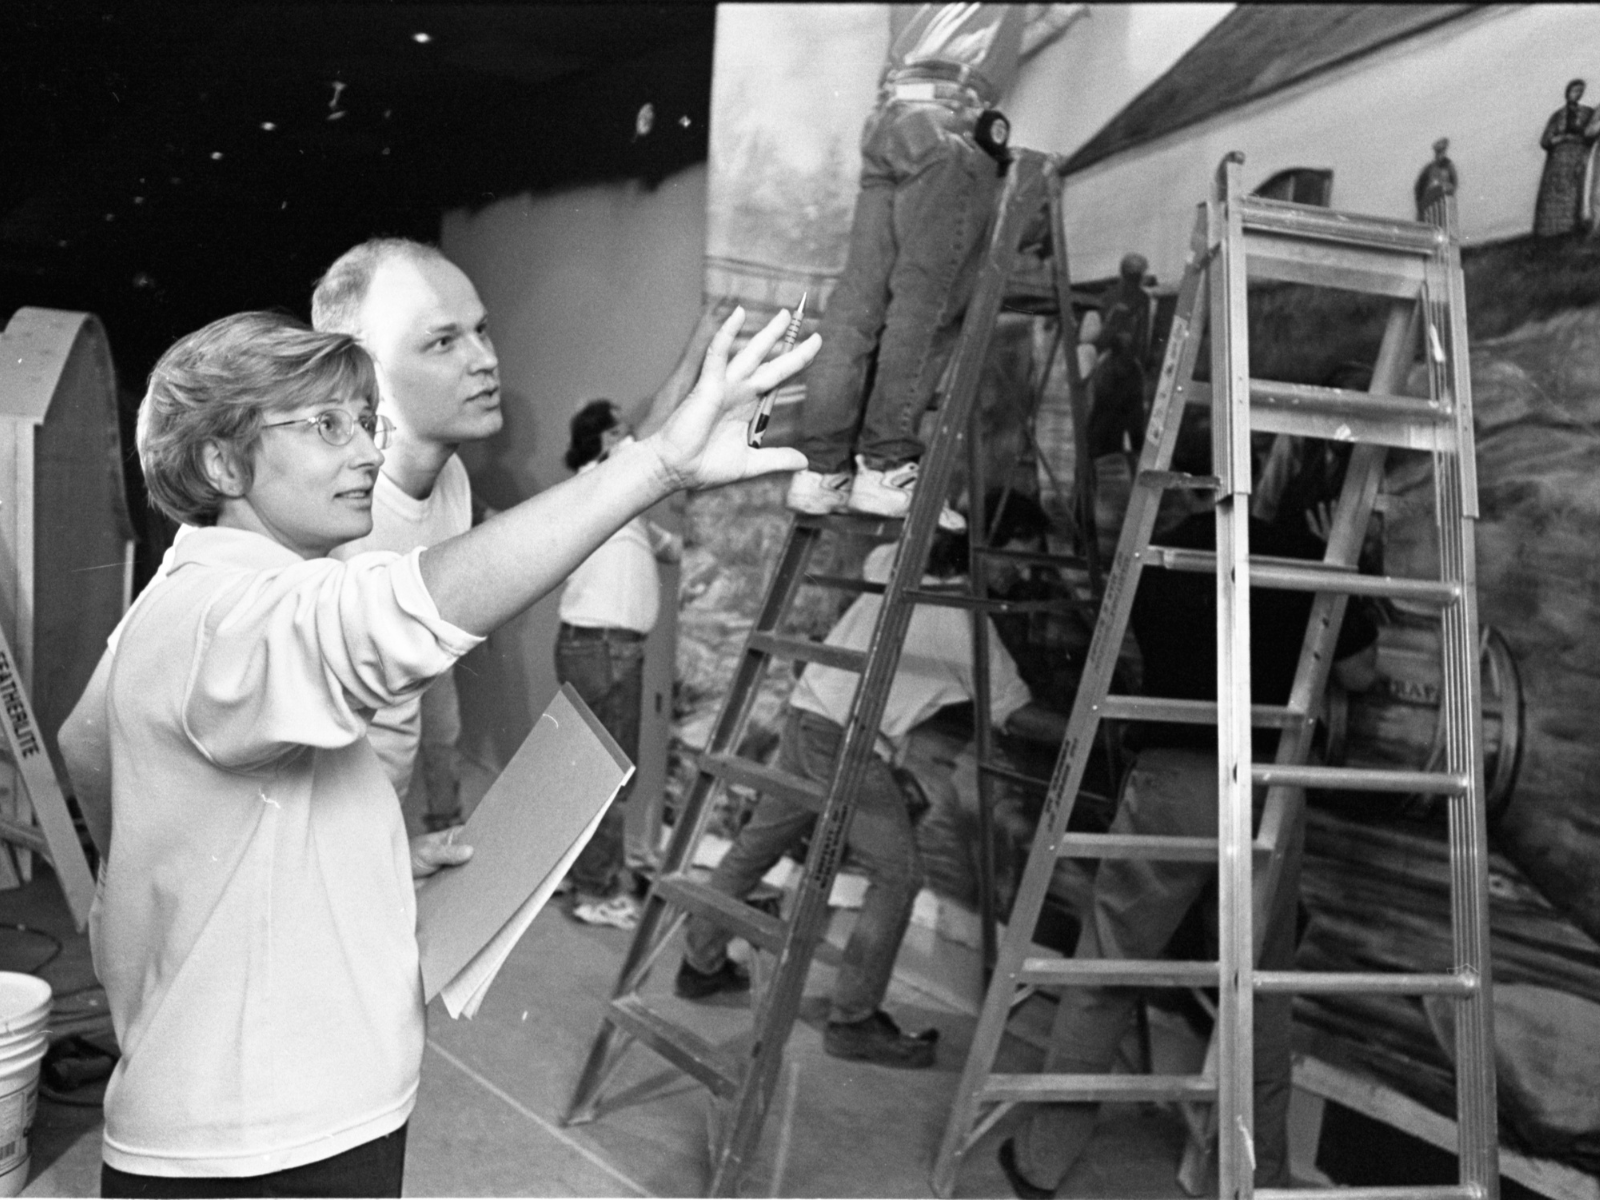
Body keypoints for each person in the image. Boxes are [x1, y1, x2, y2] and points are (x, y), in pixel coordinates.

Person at [57, 304, 815, 1197]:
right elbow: (399, 617)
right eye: (326, 425)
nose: (368, 453)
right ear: (222, 461)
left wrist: (342, 859)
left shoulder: (191, 602)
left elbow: (86, 748)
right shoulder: (228, 617)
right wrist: (653, 467)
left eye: (365, 423)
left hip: (257, 1122)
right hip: (271, 1145)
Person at [997, 437, 1379, 1195]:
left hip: (1175, 778)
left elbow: (1121, 658)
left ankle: (1042, 1162)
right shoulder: (1306, 556)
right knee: (1258, 998)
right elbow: (1361, 673)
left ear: (1195, 483)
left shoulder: (1162, 554)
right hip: (1268, 790)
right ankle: (1252, 1177)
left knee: (1105, 973)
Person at [675, 521, 1045, 1068]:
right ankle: (853, 1020)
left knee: (759, 843)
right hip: (844, 738)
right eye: (1015, 558)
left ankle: (698, 964)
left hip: (808, 714)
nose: (1020, 573)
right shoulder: (969, 628)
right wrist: (1094, 723)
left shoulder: (895, 563)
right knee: (898, 874)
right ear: (980, 553)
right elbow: (1014, 712)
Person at [785, 3, 1085, 527]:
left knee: (856, 309)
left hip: (892, 117)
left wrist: (1055, 22)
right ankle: (885, 466)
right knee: (925, 307)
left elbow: (978, 40)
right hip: (948, 124)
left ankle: (819, 471)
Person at [309, 238, 499, 833]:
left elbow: (431, 672)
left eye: (481, 331)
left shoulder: (454, 480)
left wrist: (445, 815)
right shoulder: (311, 509)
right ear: (362, 369)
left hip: (381, 821)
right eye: (444, 341)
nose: (485, 359)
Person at [556, 399, 684, 929]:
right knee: (607, 775)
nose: (635, 438)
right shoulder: (601, 480)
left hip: (602, 647)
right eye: (625, 432)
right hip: (604, 649)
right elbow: (663, 419)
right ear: (609, 444)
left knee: (588, 769)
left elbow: (672, 550)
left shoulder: (616, 507)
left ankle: (576, 870)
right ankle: (596, 889)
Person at [1534, 78, 1598, 237]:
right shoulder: (1558, 115)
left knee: (1576, 194)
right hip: (1558, 160)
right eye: (1574, 91)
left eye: (1580, 91)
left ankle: (1573, 228)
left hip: (1579, 157)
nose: (1577, 94)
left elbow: (1590, 134)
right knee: (1555, 195)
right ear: (1567, 92)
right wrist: (1561, 139)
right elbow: (1545, 140)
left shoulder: (1587, 113)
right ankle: (1550, 231)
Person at [1413, 136, 1458, 220]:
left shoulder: (1449, 167)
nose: (1439, 156)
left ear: (1444, 152)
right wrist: (1420, 206)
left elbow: (1454, 184)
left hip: (1444, 206)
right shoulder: (1429, 169)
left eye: (1441, 153)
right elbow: (1418, 188)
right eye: (1437, 153)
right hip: (1429, 208)